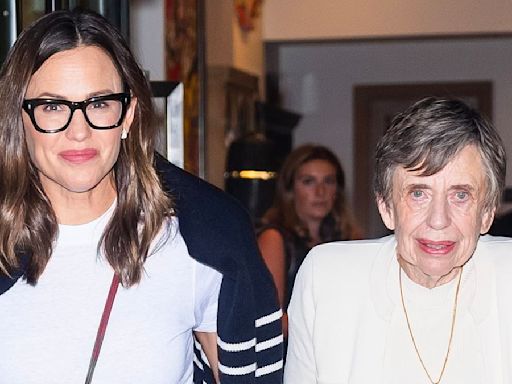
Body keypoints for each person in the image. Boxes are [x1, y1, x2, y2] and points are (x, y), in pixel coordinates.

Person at [0, 9, 283, 384]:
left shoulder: (199, 240)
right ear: (18, 117)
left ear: (129, 114)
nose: (79, 131)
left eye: (99, 104)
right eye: (52, 107)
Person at [284, 97, 512, 383]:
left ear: (488, 213)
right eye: (418, 193)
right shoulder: (327, 280)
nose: (438, 219)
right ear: (386, 207)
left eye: (460, 195)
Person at [258, 144, 361, 338]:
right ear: (289, 190)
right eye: (309, 182)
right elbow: (270, 319)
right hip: (291, 360)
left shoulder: (349, 240)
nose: (320, 192)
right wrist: (331, 326)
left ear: (337, 191)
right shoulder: (274, 238)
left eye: (329, 181)